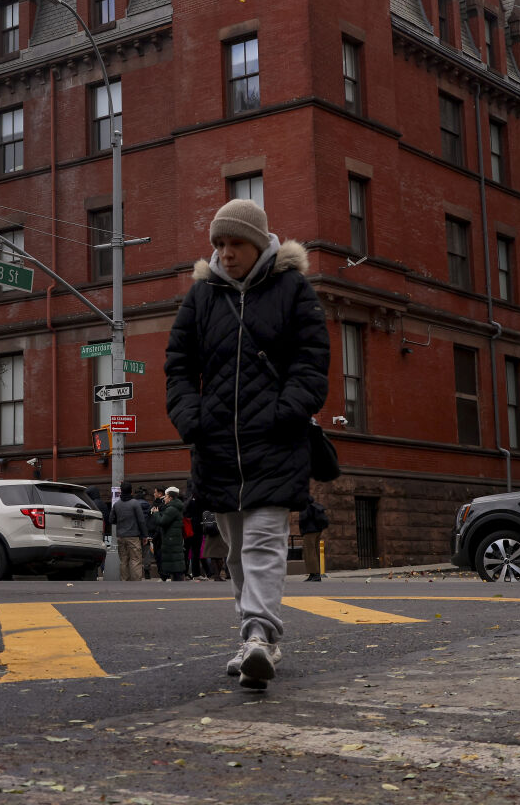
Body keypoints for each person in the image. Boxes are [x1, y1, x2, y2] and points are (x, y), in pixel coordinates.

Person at [165, 198, 330, 691]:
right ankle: (256, 638)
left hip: (275, 441)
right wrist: (189, 417)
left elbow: (313, 358)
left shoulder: (292, 289)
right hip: (217, 446)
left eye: (235, 242)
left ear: (258, 242)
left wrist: (286, 411)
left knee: (262, 543)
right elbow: (177, 365)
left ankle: (259, 633)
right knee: (236, 550)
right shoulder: (201, 296)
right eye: (220, 243)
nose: (226, 252)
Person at [112, 485, 149, 581]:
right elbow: (141, 520)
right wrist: (145, 535)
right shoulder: (135, 504)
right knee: (135, 559)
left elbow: (111, 519)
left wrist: (120, 521)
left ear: (121, 492)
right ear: (131, 492)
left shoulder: (116, 504)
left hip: (121, 536)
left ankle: (124, 581)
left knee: (123, 560)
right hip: (133, 536)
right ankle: (136, 582)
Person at [153, 486, 188, 580]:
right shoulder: (175, 507)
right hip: (174, 537)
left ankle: (177, 579)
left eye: (166, 496)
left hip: (171, 538)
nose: (164, 498)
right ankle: (177, 578)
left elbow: (162, 522)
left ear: (171, 497)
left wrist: (156, 514)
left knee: (174, 560)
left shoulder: (171, 509)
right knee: (175, 560)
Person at [298, 497, 328, 582]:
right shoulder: (315, 506)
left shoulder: (306, 507)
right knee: (315, 551)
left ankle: (315, 574)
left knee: (309, 553)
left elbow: (303, 519)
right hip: (317, 531)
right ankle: (313, 574)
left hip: (309, 532)